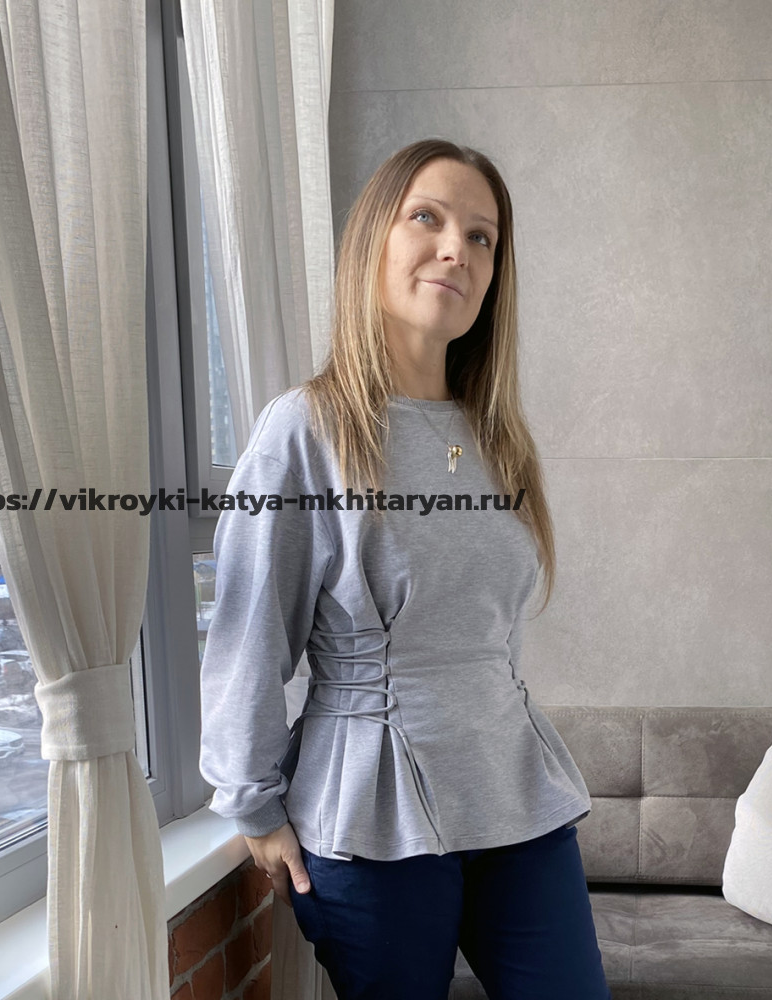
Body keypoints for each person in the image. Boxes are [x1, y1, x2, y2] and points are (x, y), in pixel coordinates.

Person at [199, 139, 612, 1000]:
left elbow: (487, 631)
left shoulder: (498, 437)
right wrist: (253, 806)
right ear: (373, 242)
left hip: (514, 795)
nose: (457, 249)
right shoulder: (304, 429)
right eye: (428, 217)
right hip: (370, 817)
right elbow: (248, 635)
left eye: (483, 236)